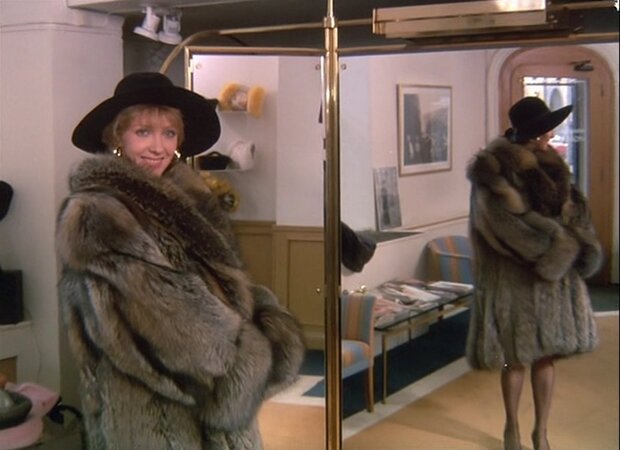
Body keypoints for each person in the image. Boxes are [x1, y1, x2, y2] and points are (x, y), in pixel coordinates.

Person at [55, 72, 305, 450]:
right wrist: (252, 357)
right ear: (116, 137)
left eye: (169, 133)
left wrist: (268, 321)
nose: (158, 147)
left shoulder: (189, 200)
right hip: (154, 415)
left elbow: (226, 286)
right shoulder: (99, 215)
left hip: (206, 398)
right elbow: (168, 322)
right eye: (143, 132)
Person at [465, 96, 602, 450]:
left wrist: (577, 232)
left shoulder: (552, 163)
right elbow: (504, 227)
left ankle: (541, 432)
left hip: (555, 283)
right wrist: (560, 248)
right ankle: (511, 428)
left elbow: (573, 208)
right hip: (515, 280)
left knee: (546, 357)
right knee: (514, 359)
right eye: (545, 130)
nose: (551, 135)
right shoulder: (493, 172)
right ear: (530, 134)